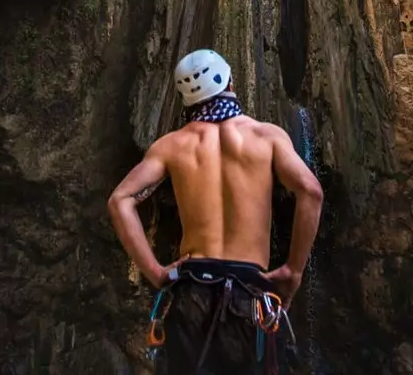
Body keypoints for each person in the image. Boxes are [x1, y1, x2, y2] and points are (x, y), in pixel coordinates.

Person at [108, 49, 325, 373]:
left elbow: (120, 200)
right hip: (248, 294)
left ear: (185, 97)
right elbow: (311, 191)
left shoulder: (171, 145)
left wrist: (155, 272)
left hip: (191, 291)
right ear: (230, 82)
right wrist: (293, 271)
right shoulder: (267, 137)